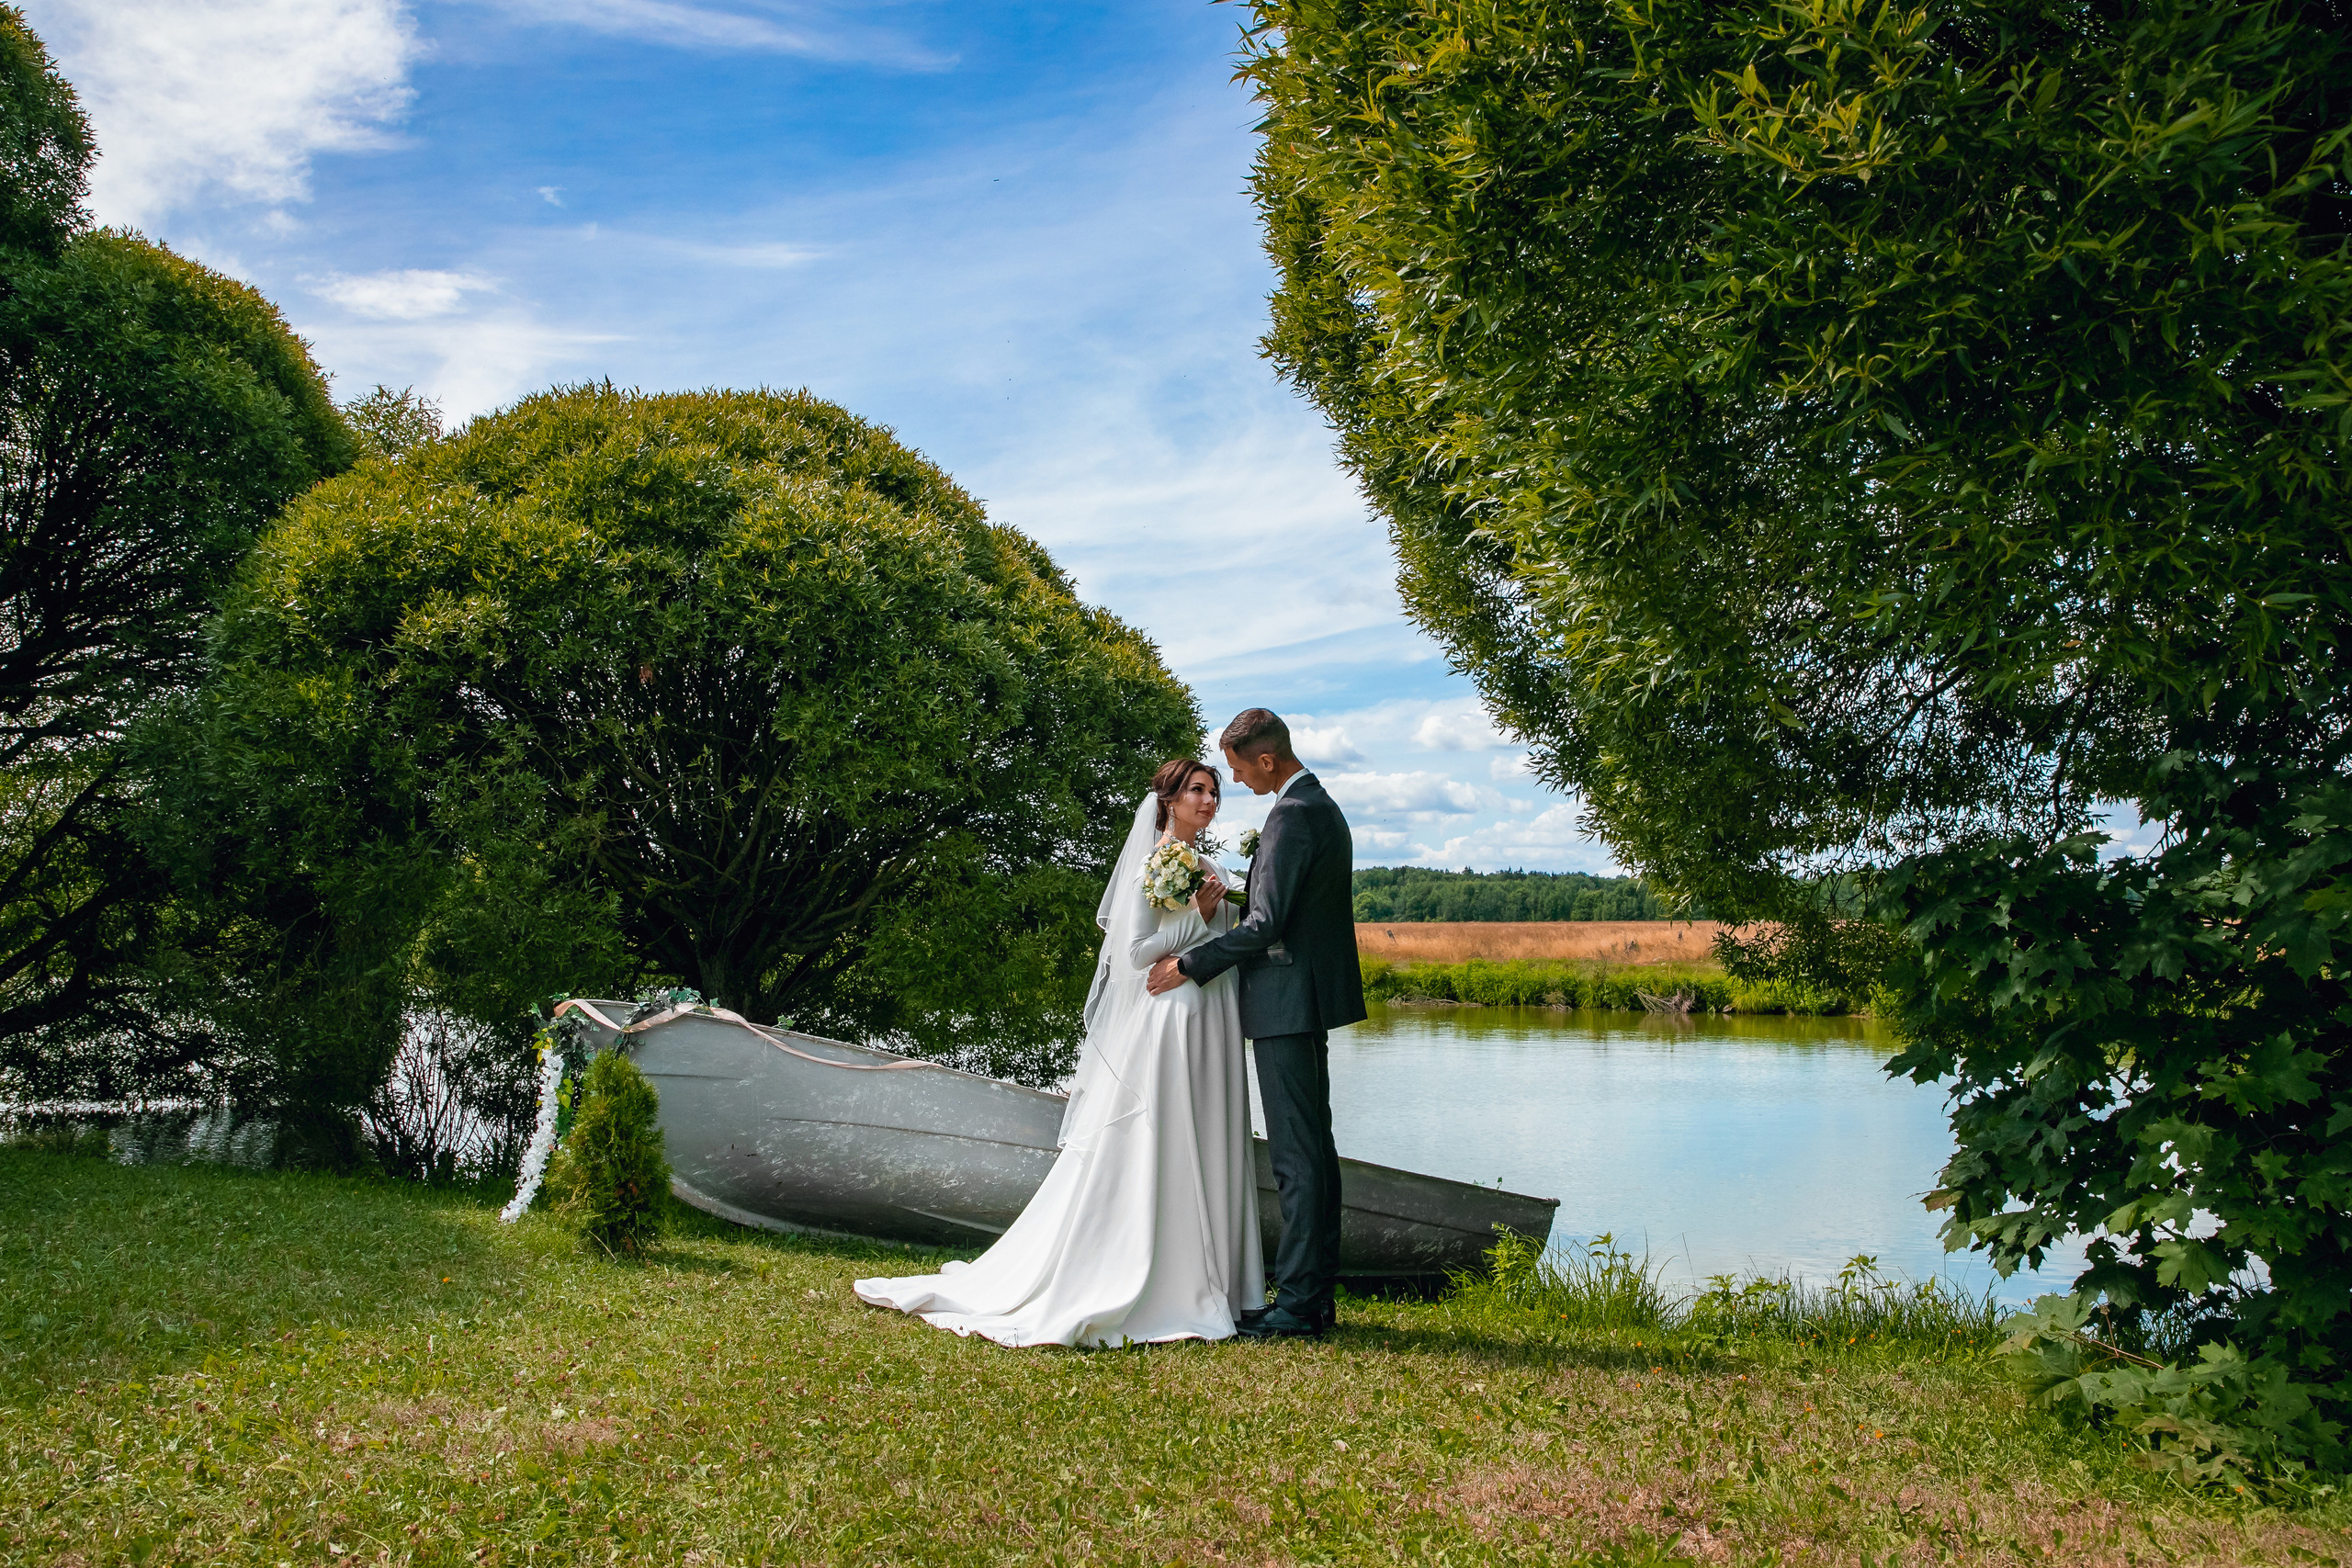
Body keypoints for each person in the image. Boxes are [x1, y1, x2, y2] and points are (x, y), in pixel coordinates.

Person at [854, 759, 1263, 1346]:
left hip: (1213, 1013)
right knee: (1170, 1141)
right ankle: (1171, 1277)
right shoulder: (1156, 865)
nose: (1208, 800)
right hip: (1173, 1017)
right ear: (1169, 801)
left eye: (1214, 791)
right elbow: (1135, 952)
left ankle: (1220, 1278)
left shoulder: (1211, 868)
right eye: (1197, 790)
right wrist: (1194, 919)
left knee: (1209, 1134)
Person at [1147, 708, 1366, 1340]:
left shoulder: (1292, 814)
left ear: (1267, 760)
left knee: (1297, 1158)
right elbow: (1283, 908)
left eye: (1240, 771)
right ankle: (1313, 1297)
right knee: (1314, 1151)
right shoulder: (1318, 805)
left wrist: (1190, 963)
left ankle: (1296, 1307)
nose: (1237, 783)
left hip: (1286, 1002)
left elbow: (1269, 924)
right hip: (1303, 1000)